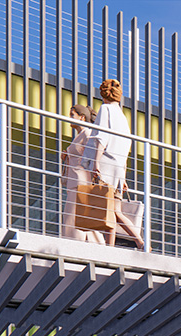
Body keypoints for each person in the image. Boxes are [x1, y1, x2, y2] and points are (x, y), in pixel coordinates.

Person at [94, 79, 134, 247]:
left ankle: (136, 240)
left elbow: (102, 137)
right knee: (113, 210)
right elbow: (125, 148)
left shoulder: (105, 109)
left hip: (106, 165)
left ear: (104, 95)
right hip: (118, 168)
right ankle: (134, 242)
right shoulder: (123, 118)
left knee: (104, 209)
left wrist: (95, 162)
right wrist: (123, 176)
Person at [61, 103, 106, 243]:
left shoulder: (87, 134)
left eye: (72, 115)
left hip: (80, 181)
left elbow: (93, 156)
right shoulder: (81, 135)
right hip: (76, 181)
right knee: (81, 216)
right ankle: (97, 245)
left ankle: (73, 245)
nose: (69, 118)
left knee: (73, 216)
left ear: (81, 117)